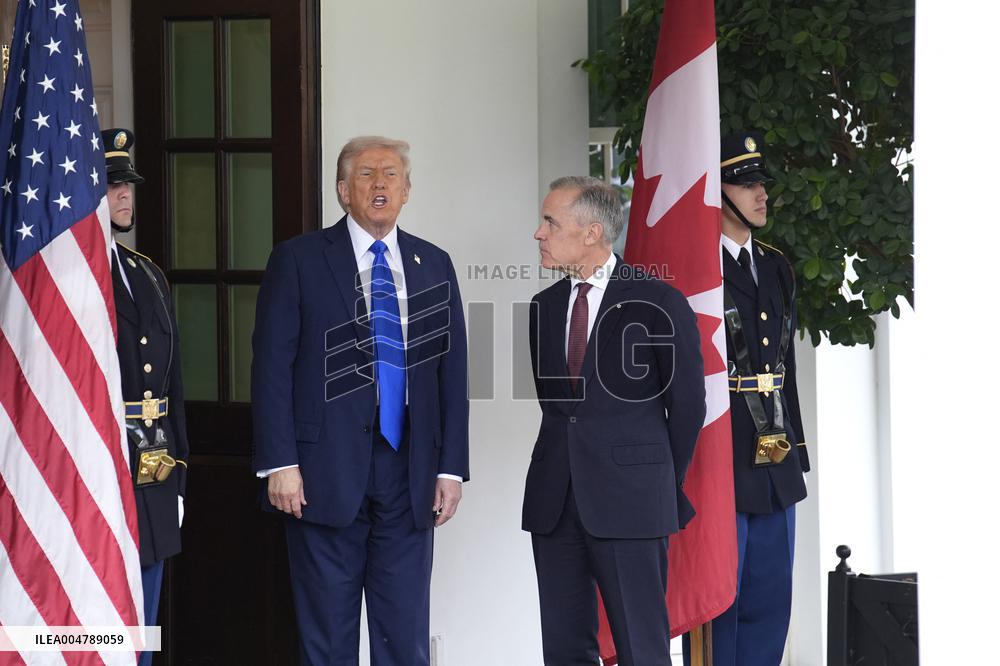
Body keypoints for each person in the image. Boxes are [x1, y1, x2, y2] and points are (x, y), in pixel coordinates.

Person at [251, 136, 469, 665]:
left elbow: (451, 372)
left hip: (409, 473)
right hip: (320, 473)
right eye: (367, 174)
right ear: (343, 190)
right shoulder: (298, 259)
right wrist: (280, 462)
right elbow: (272, 368)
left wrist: (451, 469)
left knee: (404, 635)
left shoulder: (432, 263)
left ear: (408, 190)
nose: (380, 184)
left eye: (391, 175)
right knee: (326, 638)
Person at [522, 176, 706, 665]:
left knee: (642, 649)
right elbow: (557, 409)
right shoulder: (544, 307)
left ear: (591, 233)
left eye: (550, 222)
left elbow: (688, 409)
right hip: (554, 502)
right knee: (563, 649)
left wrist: (655, 481)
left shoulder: (660, 301)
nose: (538, 234)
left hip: (632, 501)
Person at [707, 131, 811, 665]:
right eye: (744, 183)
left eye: (760, 183)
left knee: (773, 594)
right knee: (725, 597)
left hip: (774, 451)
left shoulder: (775, 265)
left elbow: (784, 366)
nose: (760, 193)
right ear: (716, 192)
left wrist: (799, 446)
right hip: (722, 450)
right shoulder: (698, 270)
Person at [103, 127, 189, 665]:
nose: (126, 195)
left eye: (128, 185)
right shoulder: (67, 281)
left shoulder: (148, 275)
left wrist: (177, 473)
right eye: (113, 186)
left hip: (152, 463)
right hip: (97, 460)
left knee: (145, 616)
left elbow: (172, 386)